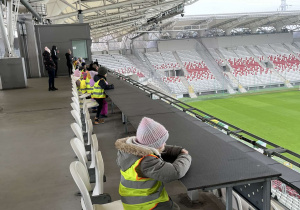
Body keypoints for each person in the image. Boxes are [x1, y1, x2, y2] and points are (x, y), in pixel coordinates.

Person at [115, 117, 191, 210]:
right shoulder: (146, 161)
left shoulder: (131, 150)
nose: (165, 143)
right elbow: (175, 172)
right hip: (144, 204)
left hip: (133, 200)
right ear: (155, 145)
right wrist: (185, 156)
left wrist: (177, 150)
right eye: (163, 142)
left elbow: (158, 149)